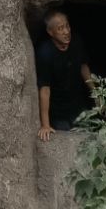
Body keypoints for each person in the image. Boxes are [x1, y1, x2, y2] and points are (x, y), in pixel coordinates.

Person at [35, 9, 96, 140]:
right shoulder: (45, 53)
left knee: (89, 139)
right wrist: (45, 125)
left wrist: (96, 93)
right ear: (50, 32)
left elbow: (83, 66)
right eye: (60, 28)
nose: (66, 31)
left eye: (67, 26)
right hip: (58, 112)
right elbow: (44, 89)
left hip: (78, 105)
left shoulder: (76, 42)